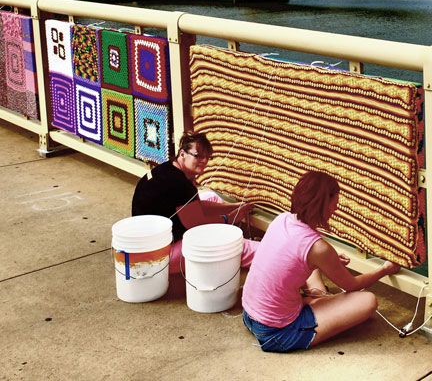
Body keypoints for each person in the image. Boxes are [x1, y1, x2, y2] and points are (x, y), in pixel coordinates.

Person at [241, 170, 400, 352]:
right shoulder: (318, 248)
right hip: (276, 333)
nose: (335, 209)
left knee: (310, 270)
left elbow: (290, 257)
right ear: (322, 205)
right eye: (334, 204)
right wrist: (384, 269)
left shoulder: (282, 219)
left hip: (250, 315)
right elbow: (352, 285)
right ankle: (319, 302)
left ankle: (318, 299)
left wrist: (328, 260)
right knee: (368, 301)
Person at [131, 130, 258, 272]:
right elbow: (196, 224)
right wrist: (230, 218)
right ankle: (260, 253)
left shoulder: (170, 168)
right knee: (229, 247)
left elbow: (196, 206)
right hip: (157, 257)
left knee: (212, 197)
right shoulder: (178, 184)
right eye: (198, 156)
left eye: (207, 157)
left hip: (146, 242)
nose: (204, 161)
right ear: (182, 154)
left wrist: (232, 207)